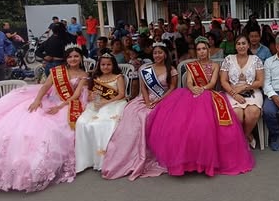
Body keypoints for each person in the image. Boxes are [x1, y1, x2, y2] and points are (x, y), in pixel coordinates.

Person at [0, 46, 88, 193]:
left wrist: (60, 106)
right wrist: (37, 100)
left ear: (81, 58)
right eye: (70, 56)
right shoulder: (58, 71)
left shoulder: (84, 75)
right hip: (50, 100)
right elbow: (45, 87)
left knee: (55, 129)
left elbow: (76, 95)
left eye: (76, 56)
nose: (73, 59)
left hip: (66, 104)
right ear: (66, 58)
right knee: (26, 123)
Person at [146, 37, 254, 176]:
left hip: (208, 94)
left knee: (204, 125)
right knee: (180, 125)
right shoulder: (192, 66)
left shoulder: (215, 65)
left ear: (208, 50)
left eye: (204, 49)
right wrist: (193, 88)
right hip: (189, 94)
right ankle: (187, 161)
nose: (201, 51)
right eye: (198, 49)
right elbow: (189, 82)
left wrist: (202, 89)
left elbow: (213, 83)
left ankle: (205, 161)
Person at [102, 44, 177, 180]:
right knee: (133, 114)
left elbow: (172, 88)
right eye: (155, 53)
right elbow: (143, 88)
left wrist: (159, 100)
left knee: (149, 116)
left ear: (165, 54)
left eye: (160, 52)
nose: (157, 55)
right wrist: (147, 102)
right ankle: (129, 154)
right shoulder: (146, 69)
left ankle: (152, 152)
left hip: (165, 99)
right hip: (145, 99)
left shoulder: (171, 69)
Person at [75, 52, 127, 173]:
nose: (105, 67)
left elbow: (121, 94)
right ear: (99, 65)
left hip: (114, 104)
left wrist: (106, 102)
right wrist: (92, 97)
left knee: (99, 124)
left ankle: (101, 159)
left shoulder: (118, 77)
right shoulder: (96, 78)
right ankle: (87, 159)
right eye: (103, 64)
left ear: (113, 65)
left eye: (108, 64)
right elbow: (91, 94)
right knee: (81, 122)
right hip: (97, 105)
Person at [220, 35, 265, 149]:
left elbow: (260, 82)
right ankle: (248, 136)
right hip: (232, 91)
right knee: (237, 114)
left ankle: (243, 137)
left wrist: (244, 87)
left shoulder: (255, 59)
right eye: (238, 44)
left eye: (244, 43)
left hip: (252, 91)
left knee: (253, 112)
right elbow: (223, 81)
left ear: (248, 45)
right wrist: (234, 94)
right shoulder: (228, 59)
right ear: (235, 46)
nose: (241, 46)